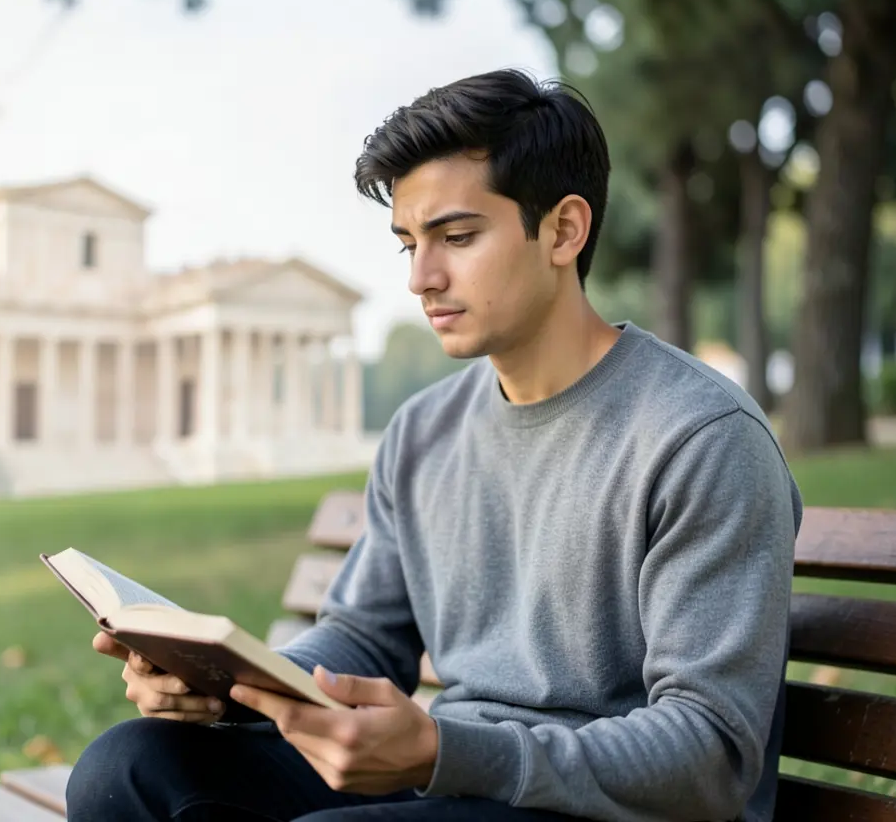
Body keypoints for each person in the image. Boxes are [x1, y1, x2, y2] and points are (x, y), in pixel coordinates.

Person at [65, 67, 802, 822]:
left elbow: (710, 752)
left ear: (563, 230)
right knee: (125, 770)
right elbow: (364, 636)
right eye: (408, 244)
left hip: (604, 807)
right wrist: (231, 688)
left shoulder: (702, 438)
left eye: (457, 236)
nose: (422, 277)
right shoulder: (424, 432)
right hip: (460, 780)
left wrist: (442, 753)